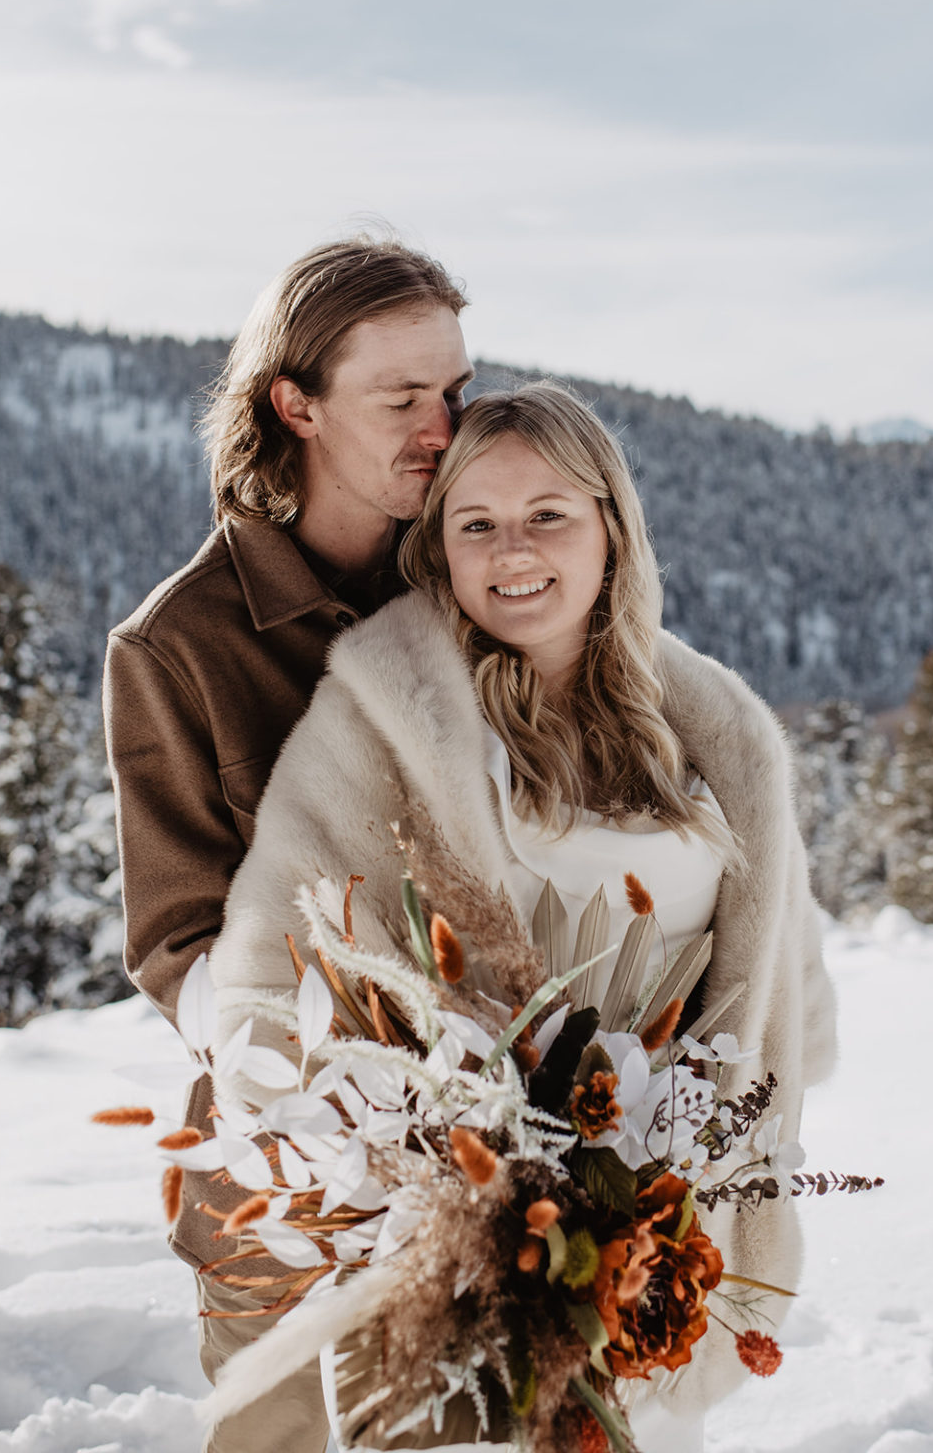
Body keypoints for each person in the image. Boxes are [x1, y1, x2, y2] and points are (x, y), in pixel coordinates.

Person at [209, 382, 838, 1452]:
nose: (514, 551)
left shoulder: (706, 734)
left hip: (647, 1237)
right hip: (453, 1247)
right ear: (439, 547)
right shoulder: (384, 725)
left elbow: (783, 989)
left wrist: (681, 1155)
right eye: (477, 524)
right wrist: (439, 1153)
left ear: (610, 526)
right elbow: (271, 976)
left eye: (548, 514)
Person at [103, 233, 473, 1453]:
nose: (442, 424)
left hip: (511, 1171)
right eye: (403, 397)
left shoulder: (480, 586)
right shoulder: (181, 645)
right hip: (294, 1192)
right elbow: (179, 946)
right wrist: (353, 1085)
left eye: (455, 391)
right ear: (295, 404)